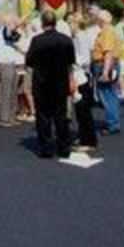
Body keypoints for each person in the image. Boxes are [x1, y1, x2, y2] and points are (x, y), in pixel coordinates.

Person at [25, 10, 74, 159]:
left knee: (43, 116)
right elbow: (70, 62)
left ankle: (46, 148)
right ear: (55, 23)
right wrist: (71, 80)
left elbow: (29, 62)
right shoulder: (66, 40)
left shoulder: (36, 40)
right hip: (60, 82)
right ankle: (64, 148)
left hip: (42, 83)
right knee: (61, 115)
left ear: (42, 23)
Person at [69, 14, 97, 150]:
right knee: (80, 111)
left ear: (76, 24)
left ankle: (89, 141)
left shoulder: (81, 37)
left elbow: (85, 59)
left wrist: (72, 60)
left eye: (70, 23)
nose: (69, 26)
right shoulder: (76, 37)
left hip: (81, 75)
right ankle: (83, 136)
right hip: (77, 74)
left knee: (83, 110)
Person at [92, 10, 121, 135]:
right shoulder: (110, 31)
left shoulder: (107, 32)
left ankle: (112, 124)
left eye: (97, 19)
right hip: (107, 64)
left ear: (101, 20)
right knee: (110, 94)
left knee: (107, 95)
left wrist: (105, 72)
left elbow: (108, 53)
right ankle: (113, 122)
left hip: (104, 65)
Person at [0, 19, 22, 127]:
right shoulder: (4, 31)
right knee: (6, 91)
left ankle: (11, 117)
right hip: (5, 63)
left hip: (13, 64)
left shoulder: (11, 33)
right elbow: (8, 34)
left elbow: (16, 38)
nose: (16, 26)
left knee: (13, 91)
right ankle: (4, 118)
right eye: (14, 24)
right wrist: (13, 26)